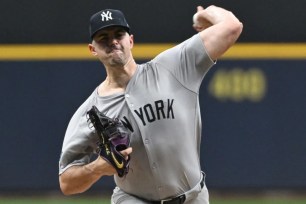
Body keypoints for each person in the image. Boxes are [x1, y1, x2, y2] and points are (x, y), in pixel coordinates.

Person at [59, 4, 243, 204]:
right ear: (92, 49)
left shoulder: (172, 68)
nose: (113, 41)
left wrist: (203, 15)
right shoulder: (90, 112)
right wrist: (97, 168)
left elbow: (232, 26)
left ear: (130, 40)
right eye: (103, 38)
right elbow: (67, 183)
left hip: (193, 198)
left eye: (118, 35)